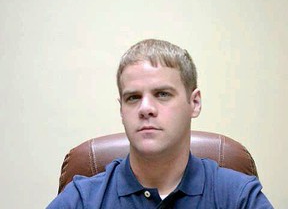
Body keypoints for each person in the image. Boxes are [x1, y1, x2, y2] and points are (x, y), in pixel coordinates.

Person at [47, 39, 273, 208]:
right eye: (133, 97)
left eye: (162, 94)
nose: (145, 108)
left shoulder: (239, 197)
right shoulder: (82, 200)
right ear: (121, 110)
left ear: (194, 103)